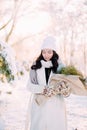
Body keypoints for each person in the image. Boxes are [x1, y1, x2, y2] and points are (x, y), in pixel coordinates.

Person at [26, 36, 67, 130]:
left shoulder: (60, 67)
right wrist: (42, 89)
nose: (46, 55)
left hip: (56, 105)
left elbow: (66, 86)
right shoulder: (36, 66)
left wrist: (63, 89)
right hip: (39, 104)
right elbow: (29, 86)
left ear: (54, 52)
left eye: (49, 52)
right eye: (44, 52)